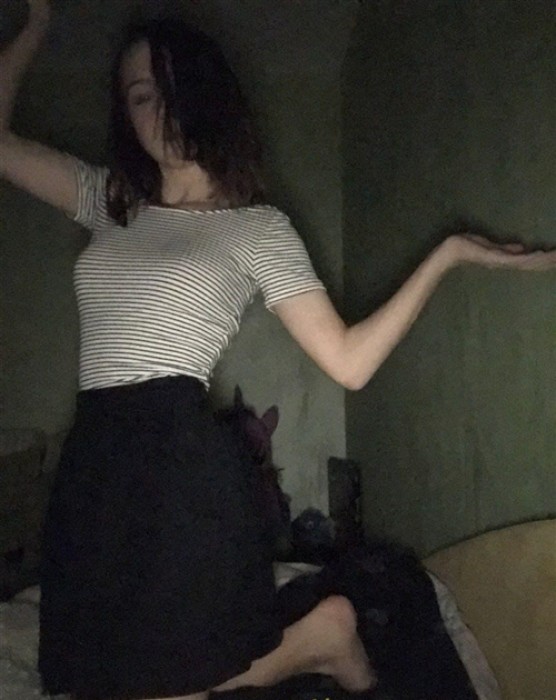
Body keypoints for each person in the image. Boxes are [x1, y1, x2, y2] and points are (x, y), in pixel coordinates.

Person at [1, 2, 554, 699]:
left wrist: (446, 255)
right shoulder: (110, 201)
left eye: (173, 87)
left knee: (166, 681)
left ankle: (323, 638)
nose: (160, 111)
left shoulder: (255, 229)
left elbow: (349, 360)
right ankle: (322, 636)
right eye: (140, 96)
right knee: (97, 671)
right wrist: (35, 25)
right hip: (93, 459)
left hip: (178, 463)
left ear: (207, 92)